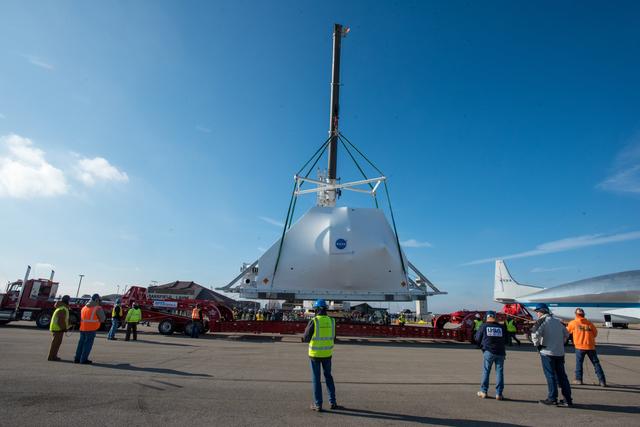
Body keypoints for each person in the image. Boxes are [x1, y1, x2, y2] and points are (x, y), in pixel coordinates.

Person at [530, 303, 573, 407]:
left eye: (537, 312)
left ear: (541, 312)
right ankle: (567, 399)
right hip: (559, 353)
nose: (537, 314)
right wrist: (559, 344)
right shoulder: (558, 322)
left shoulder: (542, 321)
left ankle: (552, 398)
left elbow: (534, 334)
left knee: (550, 376)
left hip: (547, 353)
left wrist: (538, 346)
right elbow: (567, 334)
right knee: (562, 376)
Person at [303, 299, 341, 412]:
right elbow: (334, 338)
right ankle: (333, 402)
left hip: (315, 355)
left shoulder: (314, 321)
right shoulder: (332, 321)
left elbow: (306, 338)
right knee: (328, 377)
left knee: (316, 379)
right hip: (327, 354)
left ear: (317, 310)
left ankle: (318, 404)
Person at [566, 308, 606, 387]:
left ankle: (578, 379)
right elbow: (595, 334)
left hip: (579, 346)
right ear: (584, 314)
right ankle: (602, 381)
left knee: (579, 364)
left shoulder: (573, 323)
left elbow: (567, 332)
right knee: (596, 363)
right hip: (590, 346)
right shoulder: (589, 323)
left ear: (576, 315)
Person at [474, 311, 507, 400]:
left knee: (486, 371)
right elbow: (506, 339)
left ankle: (483, 391)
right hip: (500, 352)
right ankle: (499, 394)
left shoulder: (484, 326)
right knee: (499, 372)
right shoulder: (501, 327)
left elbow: (477, 338)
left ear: (487, 317)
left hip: (489, 351)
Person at [75, 293, 105, 364]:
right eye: (99, 300)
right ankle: (83, 359)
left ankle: (77, 358)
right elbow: (102, 319)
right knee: (87, 345)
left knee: (81, 344)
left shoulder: (84, 308)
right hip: (91, 329)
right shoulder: (97, 308)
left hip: (82, 328)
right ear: (97, 300)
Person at [48, 295, 71, 361]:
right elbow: (60, 320)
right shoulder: (63, 309)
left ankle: (53, 356)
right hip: (58, 329)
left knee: (56, 343)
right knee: (56, 344)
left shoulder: (60, 307)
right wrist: (64, 328)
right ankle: (52, 357)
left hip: (57, 328)